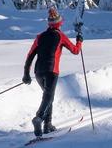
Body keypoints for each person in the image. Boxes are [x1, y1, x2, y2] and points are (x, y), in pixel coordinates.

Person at [23, 8, 83, 138]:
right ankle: (38, 118)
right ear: (59, 23)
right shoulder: (60, 36)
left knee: (48, 96)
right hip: (52, 71)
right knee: (49, 96)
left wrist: (26, 74)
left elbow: (30, 56)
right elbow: (75, 51)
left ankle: (47, 125)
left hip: (38, 72)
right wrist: (79, 41)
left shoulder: (40, 37)